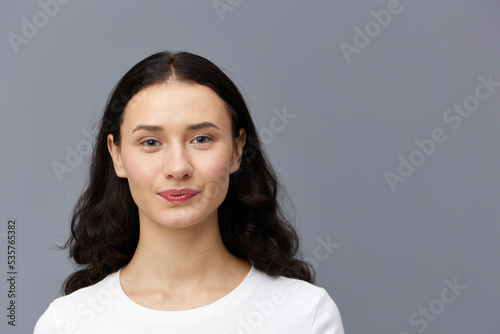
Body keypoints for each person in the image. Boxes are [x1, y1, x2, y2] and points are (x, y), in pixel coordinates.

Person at [34, 51, 345, 333]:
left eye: (201, 139)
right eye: (151, 142)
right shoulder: (67, 323)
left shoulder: (305, 315)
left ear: (237, 150)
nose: (178, 167)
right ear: (117, 155)